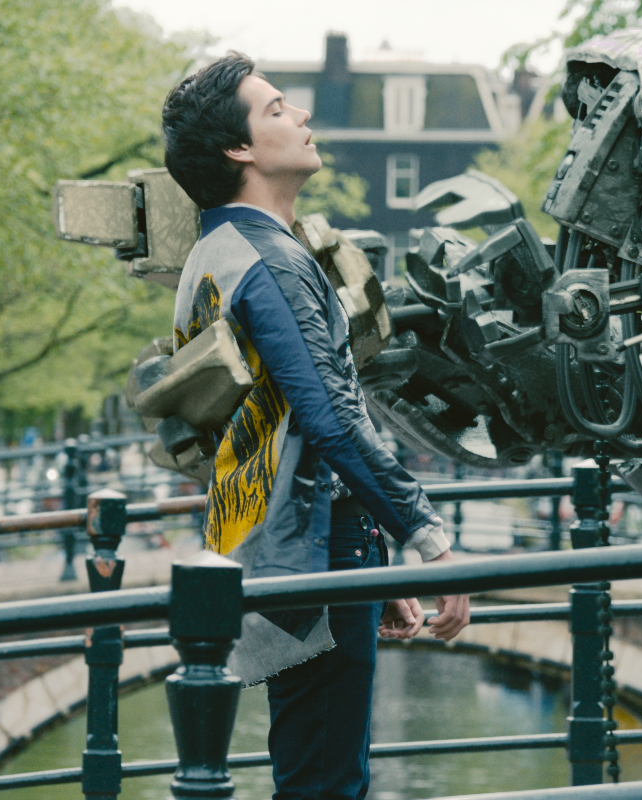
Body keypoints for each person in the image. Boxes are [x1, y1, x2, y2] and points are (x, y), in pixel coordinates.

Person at [160, 52, 471, 800]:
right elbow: (330, 415)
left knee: (314, 765)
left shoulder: (216, 252)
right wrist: (426, 539)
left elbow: (273, 420)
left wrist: (370, 559)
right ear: (239, 149)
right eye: (276, 109)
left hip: (275, 543)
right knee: (327, 781)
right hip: (312, 550)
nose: (300, 115)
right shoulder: (271, 262)